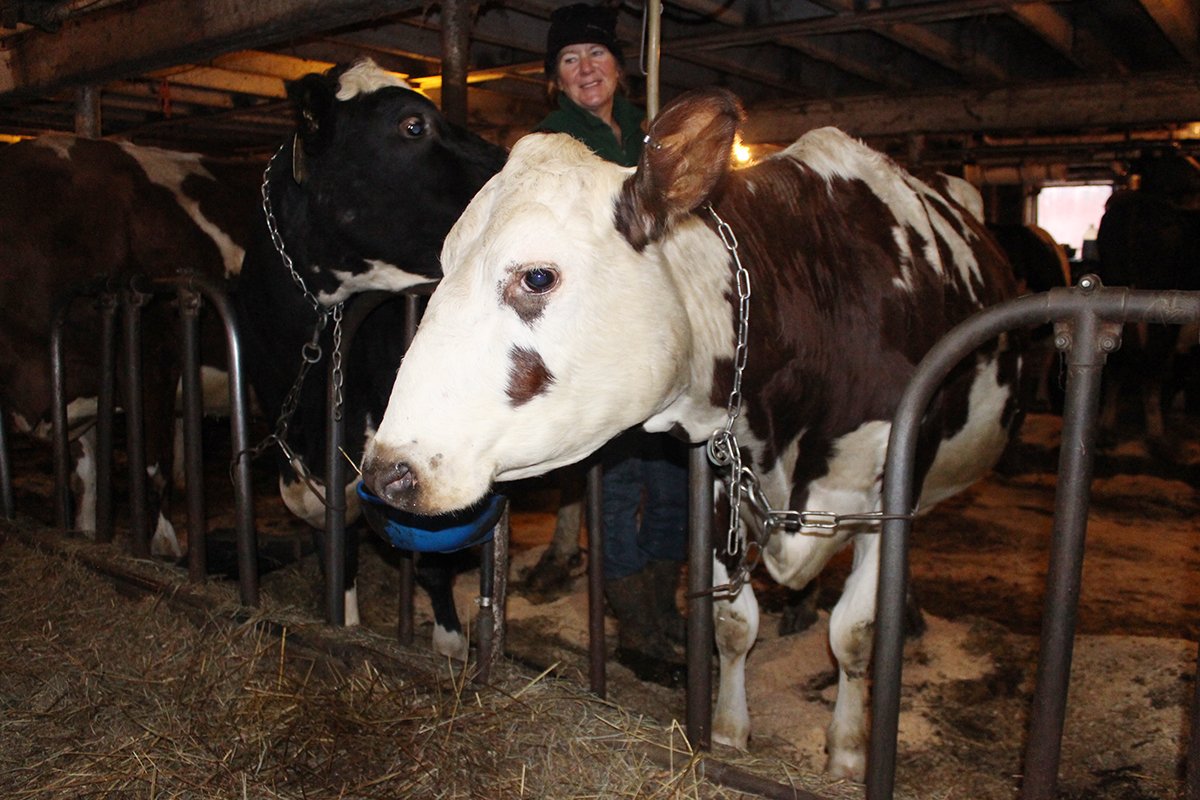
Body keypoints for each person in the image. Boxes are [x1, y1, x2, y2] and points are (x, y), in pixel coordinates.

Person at [534, 2, 689, 688]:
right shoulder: (549, 146)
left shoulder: (650, 135)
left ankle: (664, 610)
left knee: (676, 482)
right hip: (600, 340)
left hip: (664, 334)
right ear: (555, 80)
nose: (585, 68)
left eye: (595, 55)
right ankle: (636, 630)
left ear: (618, 68)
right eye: (569, 60)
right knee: (618, 485)